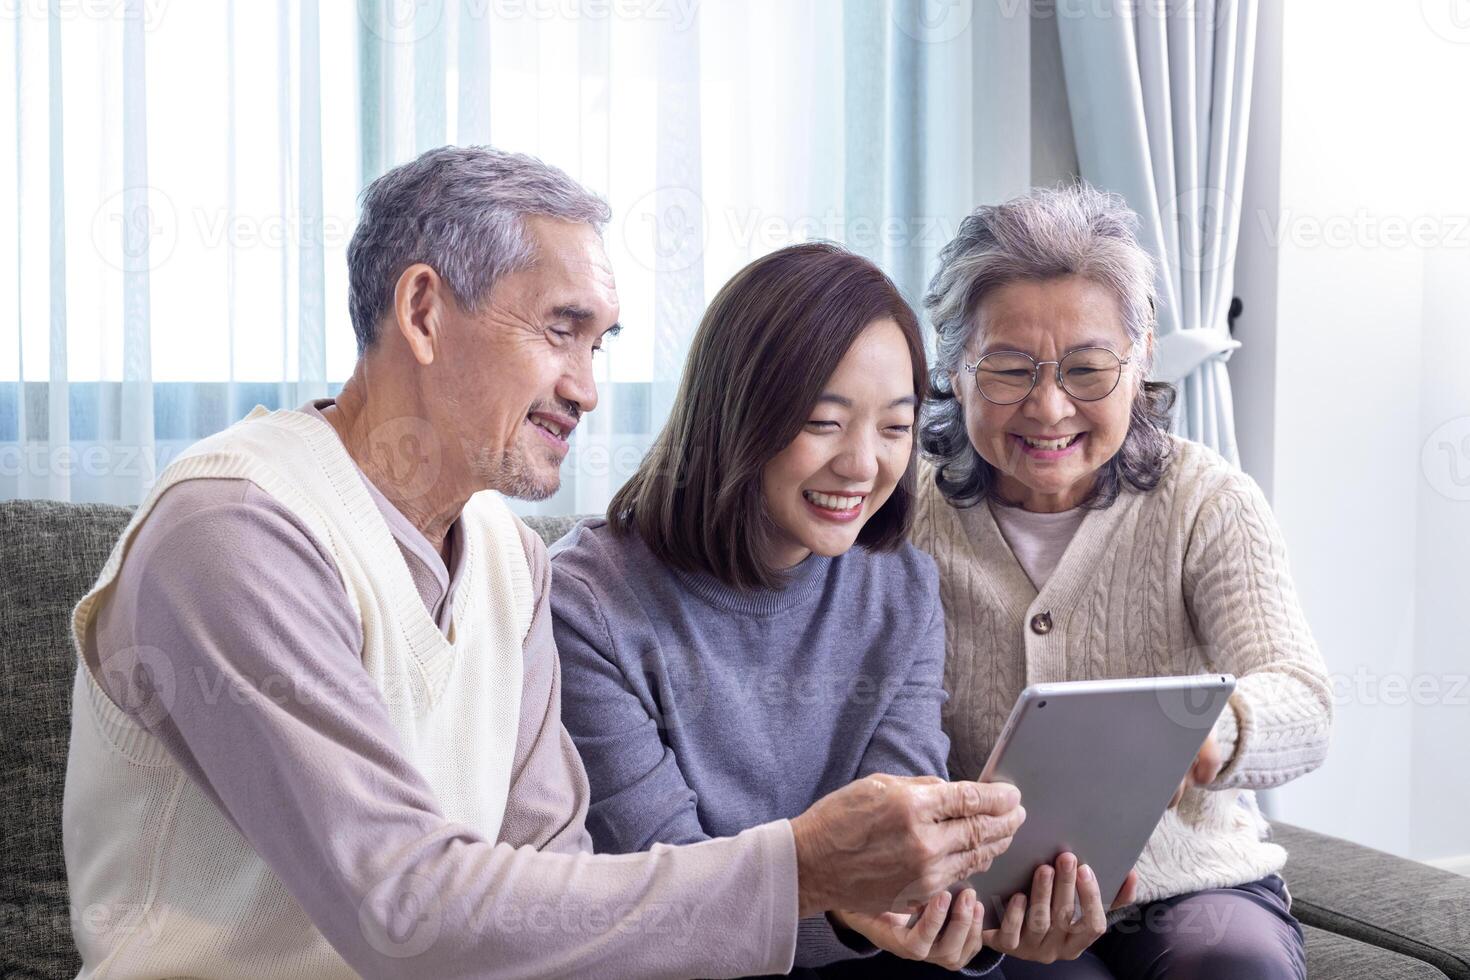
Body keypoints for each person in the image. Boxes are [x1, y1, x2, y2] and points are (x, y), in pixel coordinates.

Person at [62, 147, 1025, 980]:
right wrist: (802, 869)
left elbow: (561, 883)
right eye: (561, 329)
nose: (589, 388)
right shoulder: (234, 531)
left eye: (599, 343)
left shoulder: (506, 562)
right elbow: (399, 910)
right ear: (425, 312)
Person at [552, 242, 1132, 978]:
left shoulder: (900, 587)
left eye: (894, 427)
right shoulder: (586, 608)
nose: (864, 466)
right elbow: (673, 900)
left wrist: (970, 913)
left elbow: (904, 835)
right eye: (824, 423)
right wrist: (852, 914)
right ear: (732, 415)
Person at [911, 183, 1332, 979]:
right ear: (956, 371)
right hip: (992, 894)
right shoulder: (904, 516)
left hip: (1190, 885)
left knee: (1233, 964)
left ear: (1140, 361)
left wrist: (1210, 733)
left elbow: (1305, 702)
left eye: (1086, 369)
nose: (1048, 406)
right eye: (1007, 368)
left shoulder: (1206, 499)